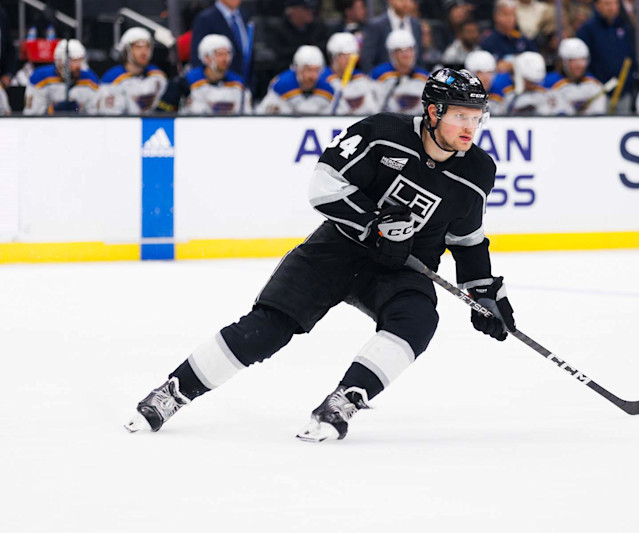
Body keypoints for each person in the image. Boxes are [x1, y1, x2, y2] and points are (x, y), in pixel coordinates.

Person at [124, 67, 516, 443]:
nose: (470, 127)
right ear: (433, 112)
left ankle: (345, 401)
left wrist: (483, 293)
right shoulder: (381, 133)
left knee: (416, 322)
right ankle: (174, 392)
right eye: (461, 115)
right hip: (338, 248)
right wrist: (375, 225)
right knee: (266, 329)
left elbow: (467, 239)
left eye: (477, 116)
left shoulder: (479, 169)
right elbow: (324, 185)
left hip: (401, 267)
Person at [576, 0, 638, 113]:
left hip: (623, 92)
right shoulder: (587, 29)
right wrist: (594, 84)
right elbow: (583, 61)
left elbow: (631, 57)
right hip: (597, 93)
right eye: (607, 4)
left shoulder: (624, 28)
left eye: (615, 3)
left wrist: (630, 82)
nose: (612, 8)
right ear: (597, 5)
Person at [97, 28, 168, 115]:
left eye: (147, 47)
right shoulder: (113, 78)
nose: (144, 52)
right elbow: (110, 119)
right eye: (138, 47)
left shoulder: (158, 76)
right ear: (126, 51)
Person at [23, 39, 99, 115]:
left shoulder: (90, 79)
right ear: (60, 61)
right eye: (74, 61)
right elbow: (32, 116)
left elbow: (96, 116)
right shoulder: (40, 78)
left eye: (80, 60)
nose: (78, 65)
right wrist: (51, 111)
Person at [182, 34, 252, 115]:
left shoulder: (238, 84)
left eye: (227, 53)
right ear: (206, 58)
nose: (225, 59)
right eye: (220, 54)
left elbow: (246, 114)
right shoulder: (190, 81)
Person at [257, 45, 334, 114]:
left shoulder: (327, 88)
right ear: (297, 69)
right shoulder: (282, 85)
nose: (312, 76)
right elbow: (263, 114)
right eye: (308, 70)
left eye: (316, 70)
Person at [371, 29, 429, 115]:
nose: (407, 54)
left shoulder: (423, 76)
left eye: (410, 50)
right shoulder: (380, 74)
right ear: (392, 54)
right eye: (401, 51)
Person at [542, 37, 605, 116]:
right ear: (564, 62)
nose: (580, 65)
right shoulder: (550, 84)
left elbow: (598, 115)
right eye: (574, 60)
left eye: (583, 59)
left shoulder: (594, 85)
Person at [190, 0, 251, 80]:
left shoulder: (244, 16)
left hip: (244, 83)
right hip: (217, 83)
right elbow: (197, 56)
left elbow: (247, 51)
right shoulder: (205, 19)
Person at [267, 0, 331, 76]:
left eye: (311, 8)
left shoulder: (319, 27)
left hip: (317, 73)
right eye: (306, 9)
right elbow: (279, 54)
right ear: (293, 11)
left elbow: (325, 48)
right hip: (288, 73)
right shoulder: (277, 30)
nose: (310, 12)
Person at [323, 32, 378, 115]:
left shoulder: (362, 79)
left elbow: (373, 109)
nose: (348, 60)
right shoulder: (323, 79)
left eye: (351, 56)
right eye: (343, 56)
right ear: (333, 57)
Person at [360, 0, 423, 72]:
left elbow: (419, 57)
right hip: (383, 78)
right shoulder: (376, 25)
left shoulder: (416, 25)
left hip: (412, 78)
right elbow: (367, 59)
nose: (405, 2)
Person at [480, 0, 537, 74]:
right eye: (505, 14)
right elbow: (491, 68)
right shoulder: (488, 41)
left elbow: (536, 59)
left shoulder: (520, 38)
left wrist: (512, 64)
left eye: (513, 14)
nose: (510, 19)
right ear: (496, 16)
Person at [507, 50, 564, 116]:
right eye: (529, 81)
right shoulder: (509, 97)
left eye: (533, 82)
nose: (532, 84)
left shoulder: (550, 95)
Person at [464, 50, 512, 116]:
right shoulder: (460, 97)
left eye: (489, 72)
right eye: (480, 72)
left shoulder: (501, 94)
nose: (486, 78)